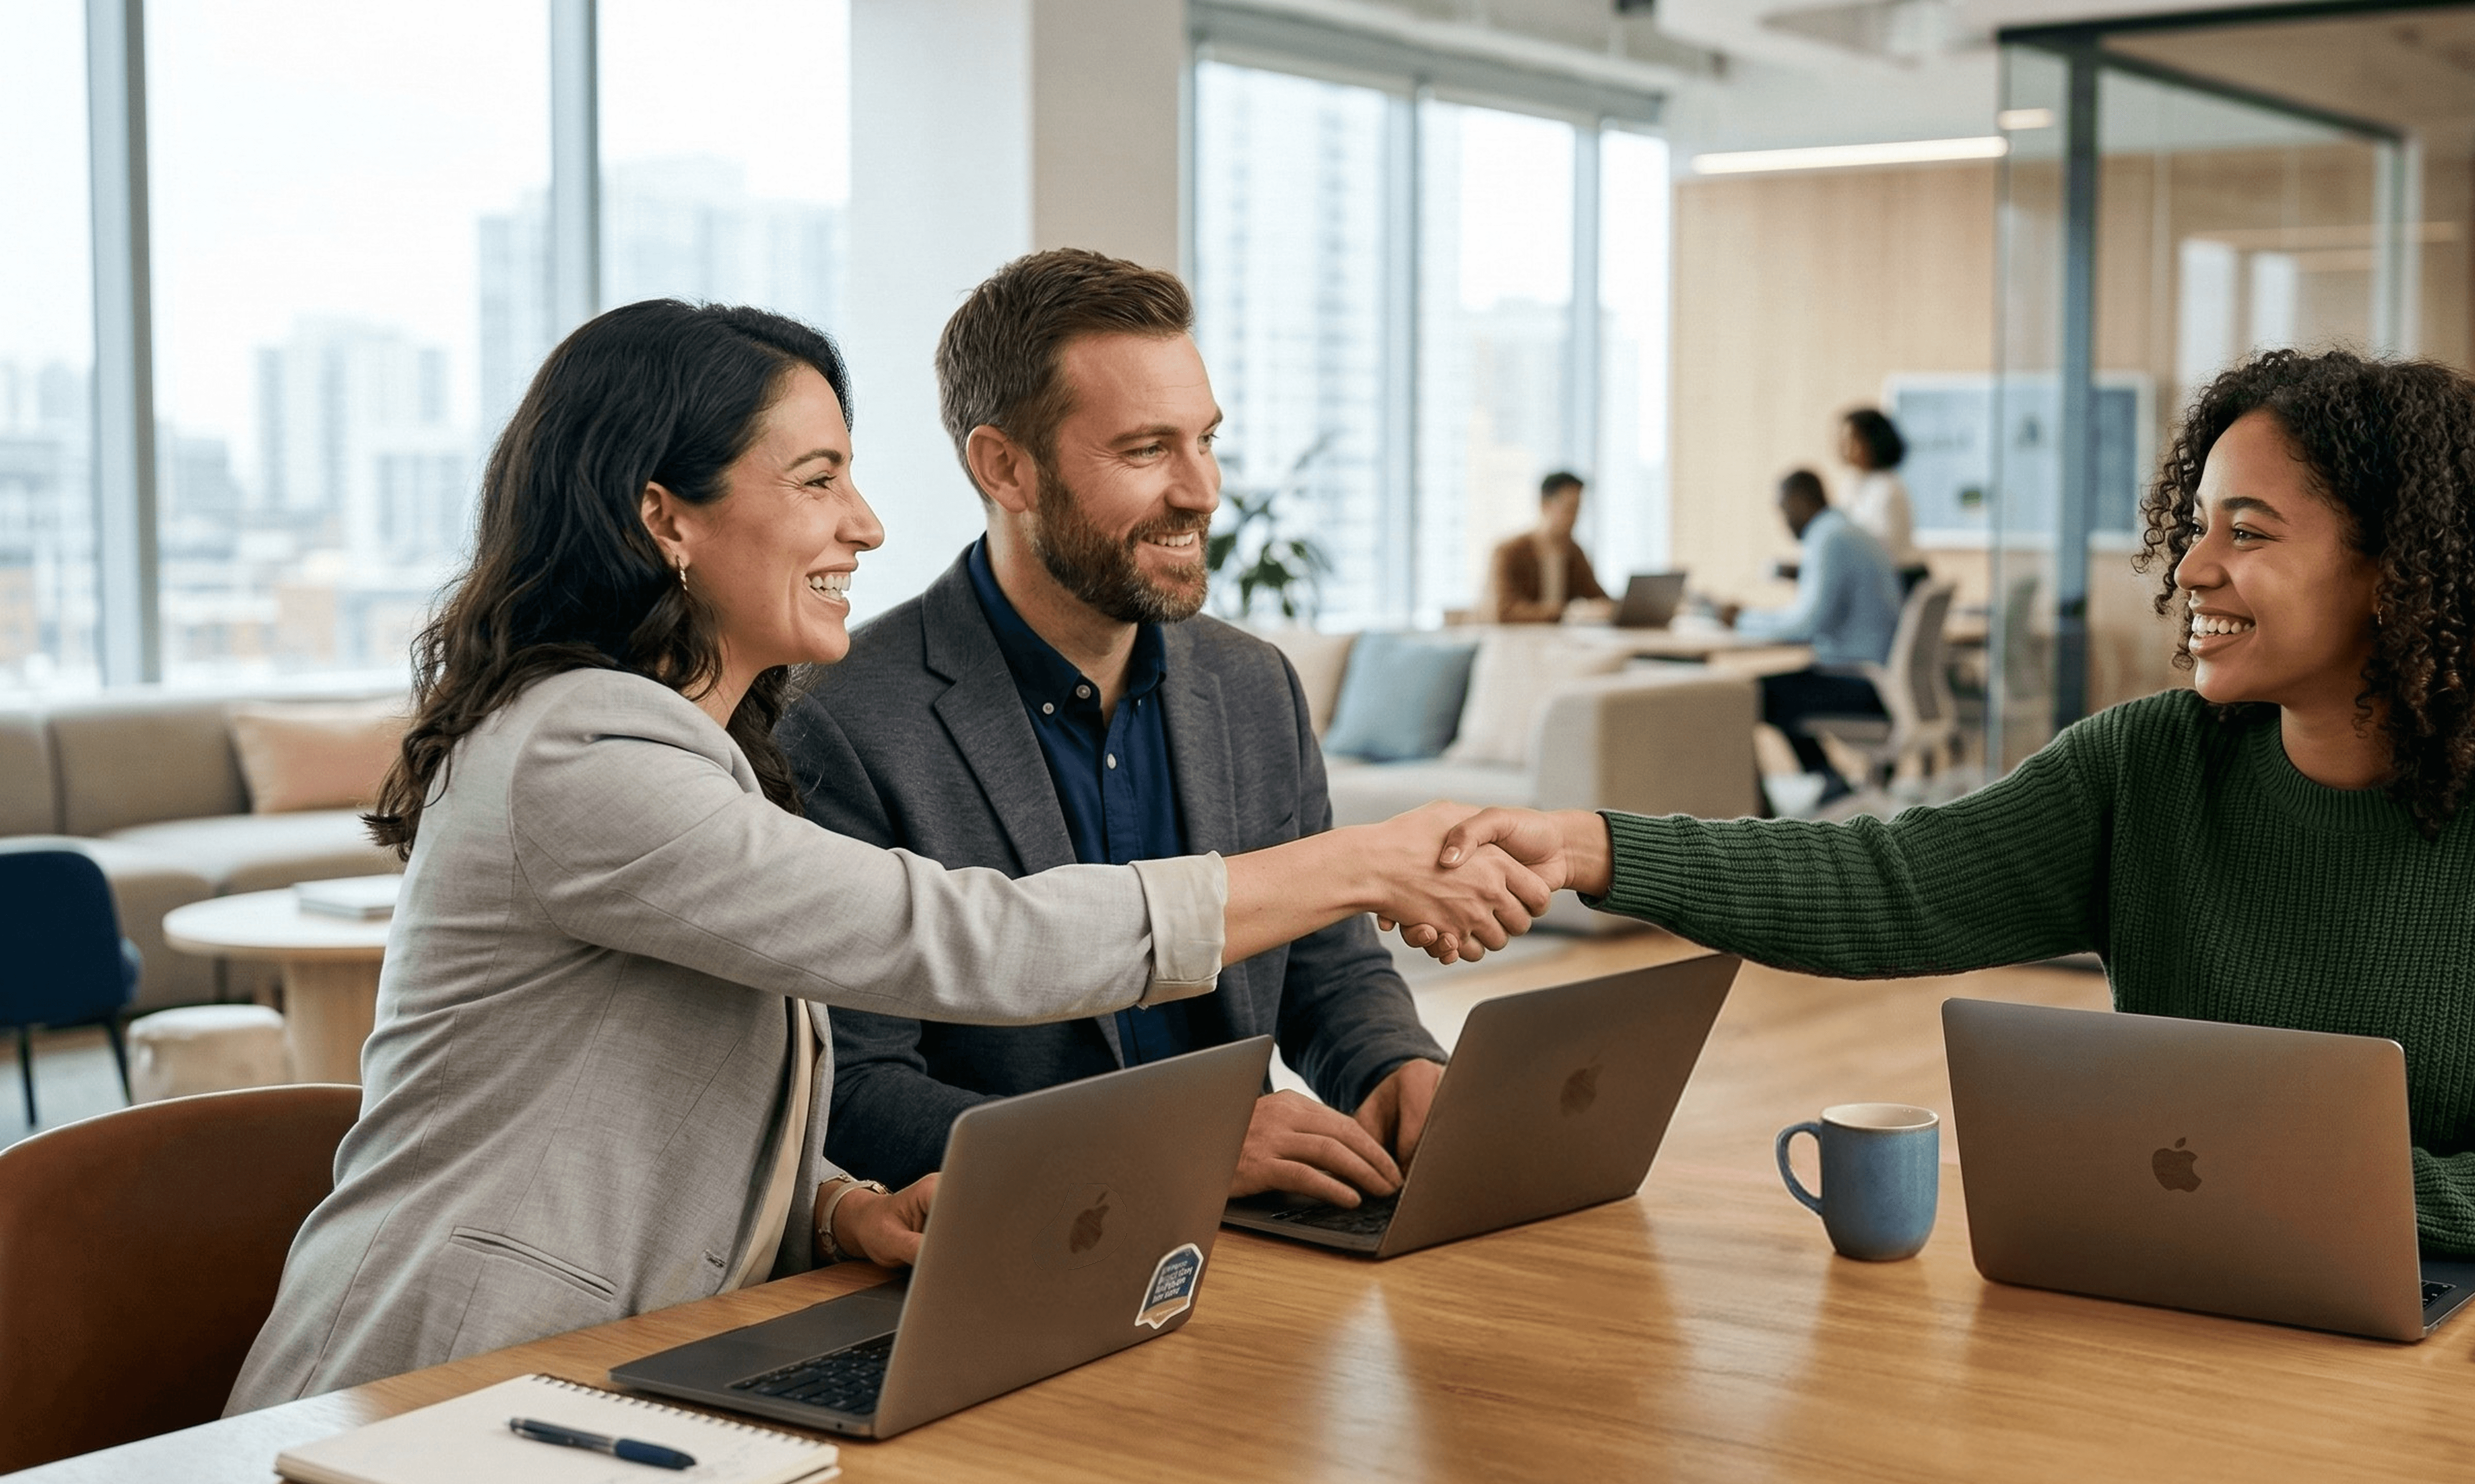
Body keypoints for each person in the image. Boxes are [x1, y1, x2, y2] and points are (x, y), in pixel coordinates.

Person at [226, 302, 1548, 1412]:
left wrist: (840, 1206)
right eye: (816, 481)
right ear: (663, 516)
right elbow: (967, 937)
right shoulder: (585, 747)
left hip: (619, 1362)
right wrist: (1364, 861)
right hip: (442, 1379)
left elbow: (660, 1091)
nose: (864, 523)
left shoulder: (702, 748)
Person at [1420, 350, 2475, 1266]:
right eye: (2195, 524)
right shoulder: (2151, 766)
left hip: (2466, 1365)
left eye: (2247, 532)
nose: (2191, 567)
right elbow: (1892, 882)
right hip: (2185, 1314)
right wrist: (1595, 843)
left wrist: (2316, 1199)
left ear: (2398, 571)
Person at [779, 251, 1446, 1205]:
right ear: (1003, 466)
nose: (1201, 490)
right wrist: (1179, 1148)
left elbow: (1323, 963)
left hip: (1258, 1249)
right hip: (1029, 1256)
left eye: (1205, 440)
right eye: (1145, 451)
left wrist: (1395, 1069)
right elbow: (853, 1090)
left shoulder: (1255, 685)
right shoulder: (840, 719)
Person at [1726, 470, 1904, 800]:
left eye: (1784, 509)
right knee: (1772, 689)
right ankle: (1830, 783)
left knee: (1746, 694)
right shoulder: (1852, 531)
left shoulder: (1829, 536)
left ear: (1803, 501)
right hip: (1877, 678)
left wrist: (1742, 619)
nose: (1784, 520)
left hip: (1860, 684)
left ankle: (1763, 806)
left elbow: (1806, 626)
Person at [1485, 471, 1607, 623]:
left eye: (1579, 509)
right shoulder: (1509, 552)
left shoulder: (1574, 552)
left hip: (1558, 641)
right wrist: (1569, 612)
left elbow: (1599, 599)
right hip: (1513, 642)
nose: (1575, 517)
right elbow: (1504, 612)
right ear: (1545, 505)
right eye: (1570, 508)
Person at [1838, 407, 1915, 571]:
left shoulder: (1887, 489)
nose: (1843, 447)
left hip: (1898, 576)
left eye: (1852, 440)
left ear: (1872, 442)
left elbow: (1881, 548)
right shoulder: (1852, 483)